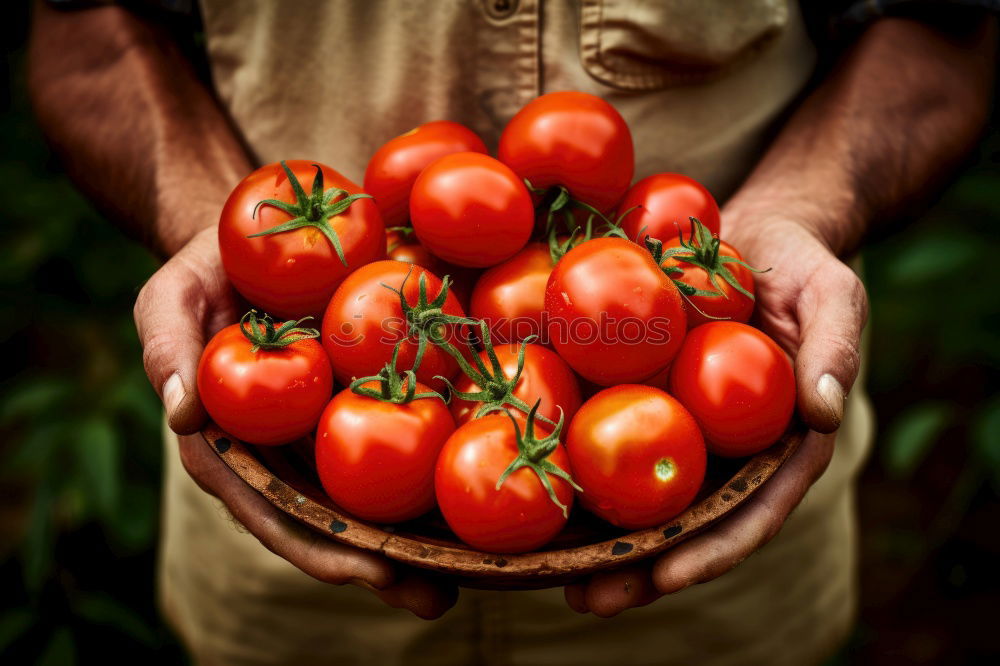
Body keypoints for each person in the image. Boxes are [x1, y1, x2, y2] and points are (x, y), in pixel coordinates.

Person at [28, 1, 996, 663]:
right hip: (286, 588)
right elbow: (87, 26)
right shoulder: (445, 338)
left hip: (725, 599)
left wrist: (807, 206)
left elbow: (941, 23)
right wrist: (213, 227)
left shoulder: (598, 310)